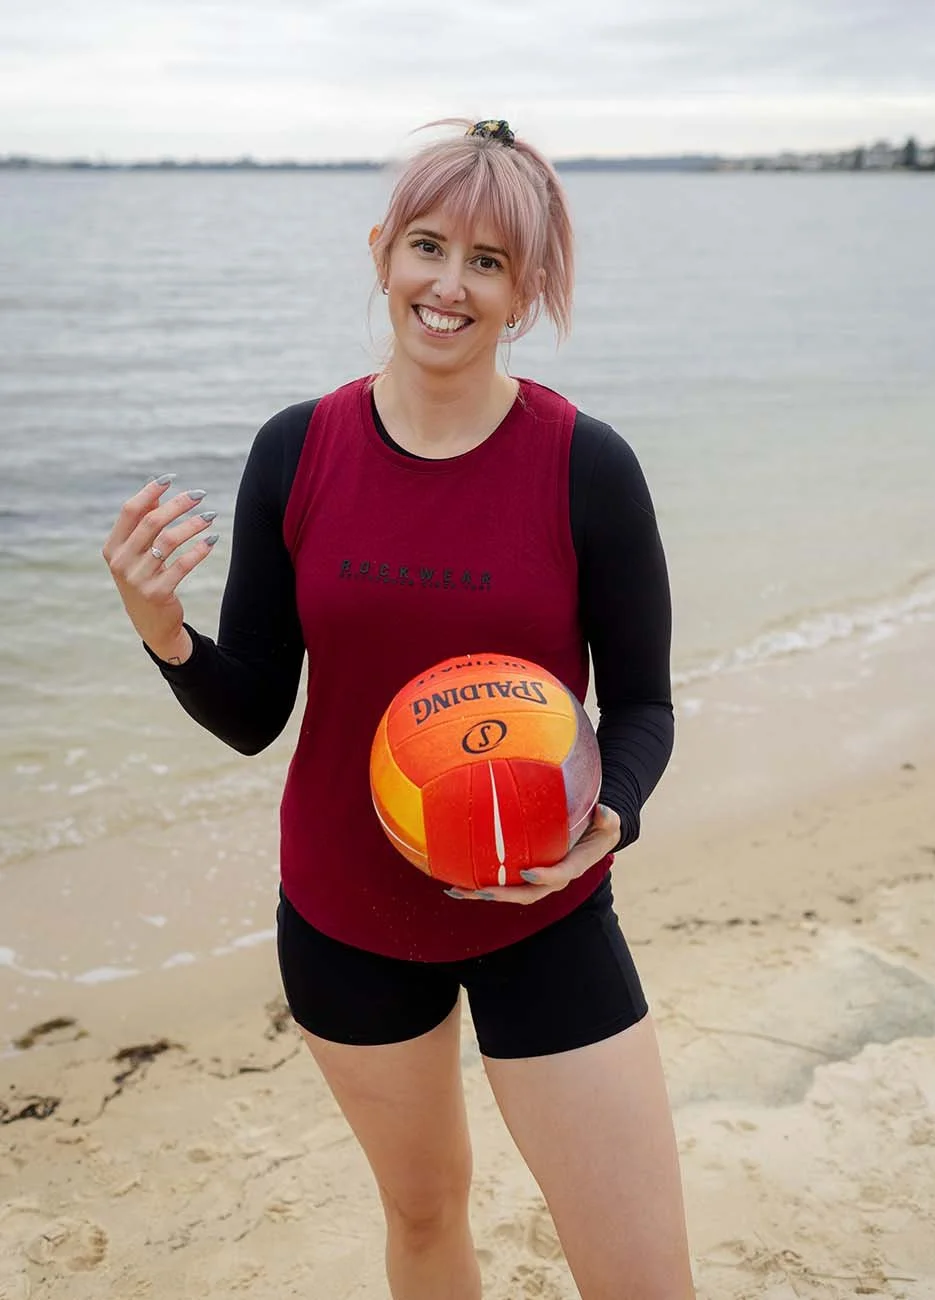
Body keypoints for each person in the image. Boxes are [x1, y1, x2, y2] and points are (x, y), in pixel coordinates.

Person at [102, 118, 695, 1300]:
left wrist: (605, 819)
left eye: (488, 261)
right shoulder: (299, 449)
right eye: (428, 246)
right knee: (423, 1218)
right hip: (344, 919)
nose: (448, 285)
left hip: (545, 911)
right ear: (383, 252)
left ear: (526, 289)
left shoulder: (587, 464)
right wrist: (164, 633)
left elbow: (641, 705)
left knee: (641, 1279)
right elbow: (259, 711)